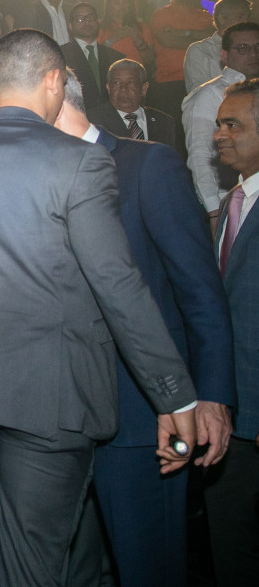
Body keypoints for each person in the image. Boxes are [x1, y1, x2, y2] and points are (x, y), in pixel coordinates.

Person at [0, 28, 199, 587]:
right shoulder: (79, 162)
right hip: (49, 392)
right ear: (55, 81)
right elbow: (118, 284)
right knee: (30, 562)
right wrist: (173, 392)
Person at [52, 68, 234, 587]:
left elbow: (199, 288)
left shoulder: (147, 164)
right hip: (57, 418)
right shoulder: (29, 177)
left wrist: (212, 395)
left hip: (149, 418)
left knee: (151, 567)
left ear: (52, 91)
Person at [204, 77, 259, 586]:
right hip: (233, 418)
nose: (219, 134)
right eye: (219, 124)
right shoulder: (231, 204)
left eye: (233, 124)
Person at [182, 22, 259, 227]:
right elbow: (200, 156)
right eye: (242, 48)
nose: (253, 54)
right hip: (229, 203)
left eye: (257, 47)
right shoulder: (210, 94)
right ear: (224, 55)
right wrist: (214, 212)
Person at [149, 0, 214, 121]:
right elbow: (167, 41)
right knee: (171, 128)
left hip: (201, 82)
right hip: (168, 82)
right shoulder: (161, 15)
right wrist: (199, 39)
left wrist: (183, 33)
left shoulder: (206, 16)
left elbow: (213, 39)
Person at [90, 58, 181, 152]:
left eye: (130, 82)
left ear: (144, 88)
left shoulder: (165, 123)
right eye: (117, 82)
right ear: (108, 88)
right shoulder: (92, 121)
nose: (123, 88)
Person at [60, 2, 122, 111]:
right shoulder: (61, 55)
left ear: (98, 22)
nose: (86, 22)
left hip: (110, 115)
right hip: (77, 114)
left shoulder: (115, 56)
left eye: (90, 18)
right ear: (70, 25)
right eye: (80, 19)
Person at [184, 0, 252, 93]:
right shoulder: (200, 50)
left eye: (248, 17)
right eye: (240, 16)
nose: (245, 21)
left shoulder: (253, 49)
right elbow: (199, 92)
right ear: (222, 19)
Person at [98, 0, 156, 71]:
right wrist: (112, 39)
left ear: (130, 4)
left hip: (135, 75)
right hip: (109, 75)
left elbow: (150, 60)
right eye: (117, 3)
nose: (122, 6)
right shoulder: (99, 27)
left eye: (125, 2)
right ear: (109, 5)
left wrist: (138, 40)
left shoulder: (142, 27)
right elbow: (95, 58)